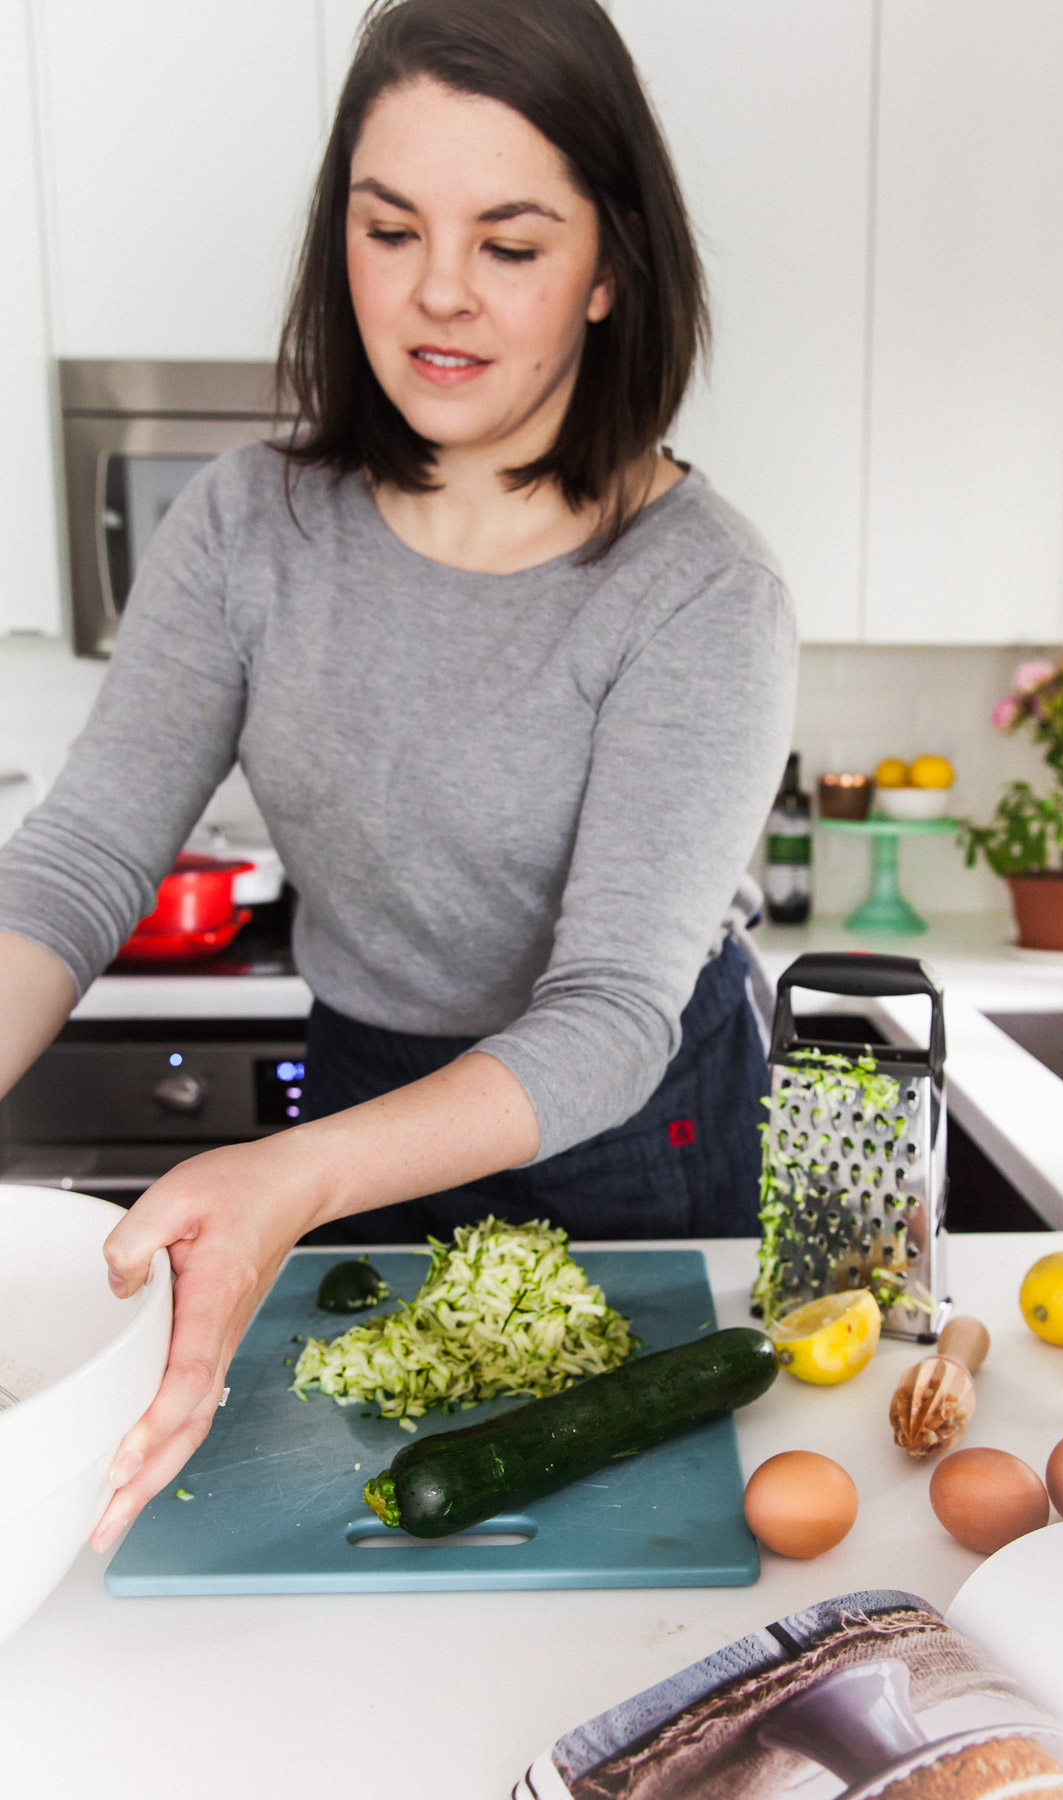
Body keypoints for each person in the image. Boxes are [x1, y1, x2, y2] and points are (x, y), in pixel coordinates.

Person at [0, 0, 797, 1551]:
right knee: (339, 1517)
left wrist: (291, 1176)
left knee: (630, 1559)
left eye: (510, 241)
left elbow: (614, 1012)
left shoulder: (701, 590)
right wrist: (308, 1174)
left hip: (634, 1134)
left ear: (610, 267)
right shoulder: (247, 527)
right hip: (361, 1104)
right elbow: (82, 855)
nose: (438, 292)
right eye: (391, 228)